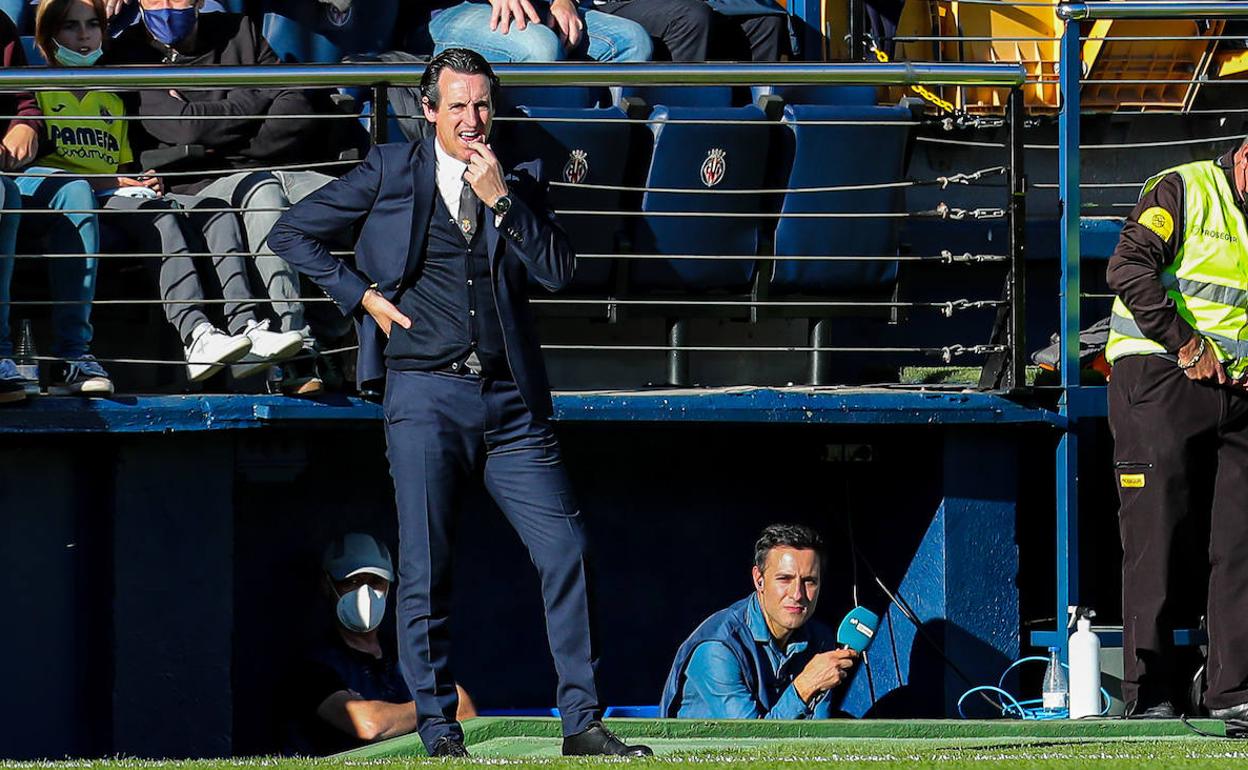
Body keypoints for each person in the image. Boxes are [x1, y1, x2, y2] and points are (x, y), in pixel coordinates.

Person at [267, 48, 652, 759]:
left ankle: (582, 722)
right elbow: (291, 233)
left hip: (511, 404)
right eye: (458, 106)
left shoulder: (522, 175)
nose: (472, 120)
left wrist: (503, 198)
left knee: (567, 549)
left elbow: (560, 272)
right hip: (424, 393)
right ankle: (440, 731)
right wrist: (363, 298)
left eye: (482, 105)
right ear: (429, 110)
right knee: (426, 566)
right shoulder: (390, 168)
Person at [31, 0, 305, 386]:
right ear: (47, 37)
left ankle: (247, 328)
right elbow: (36, 175)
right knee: (158, 216)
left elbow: (121, 163)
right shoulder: (35, 91)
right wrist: (112, 185)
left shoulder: (111, 93)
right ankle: (197, 335)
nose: (83, 35)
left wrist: (142, 180)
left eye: (92, 24)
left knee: (212, 209)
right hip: (87, 199)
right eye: (69, 26)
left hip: (125, 192)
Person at [111, 0, 369, 395]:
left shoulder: (239, 30)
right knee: (262, 191)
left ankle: (332, 344)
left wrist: (220, 143)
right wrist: (256, 102)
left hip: (260, 166)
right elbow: (184, 129)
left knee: (352, 197)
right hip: (193, 187)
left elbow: (294, 108)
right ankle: (295, 347)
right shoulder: (130, 52)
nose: (166, 7)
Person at [1106, 140, 1248, 722]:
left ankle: (1233, 693)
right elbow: (1126, 268)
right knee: (1156, 537)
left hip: (1237, 390)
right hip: (1161, 377)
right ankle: (1152, 694)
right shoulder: (1183, 188)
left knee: (1241, 547)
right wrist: (1186, 344)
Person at [285, 532, 476, 756]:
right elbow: (367, 723)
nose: (365, 594)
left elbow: (465, 710)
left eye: (376, 582)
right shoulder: (314, 666)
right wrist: (435, 708)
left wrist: (406, 714)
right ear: (328, 585)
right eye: (352, 582)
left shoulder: (406, 654)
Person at [660, 524, 858, 719]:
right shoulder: (718, 649)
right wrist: (805, 686)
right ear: (759, 580)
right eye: (784, 579)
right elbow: (752, 743)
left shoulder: (820, 640)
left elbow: (818, 735)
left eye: (810, 581)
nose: (797, 594)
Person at [421, 0, 652, 64]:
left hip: (537, 6)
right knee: (541, 48)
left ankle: (603, 167)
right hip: (451, 12)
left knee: (632, 42)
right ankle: (532, 169)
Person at [586, 0, 788, 62]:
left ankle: (750, 128)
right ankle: (683, 123)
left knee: (765, 22)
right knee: (692, 17)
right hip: (611, 5)